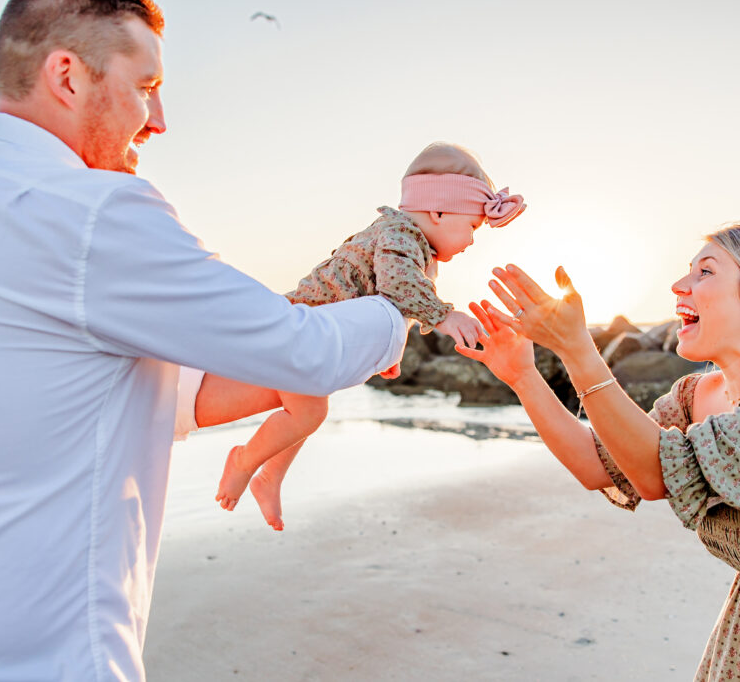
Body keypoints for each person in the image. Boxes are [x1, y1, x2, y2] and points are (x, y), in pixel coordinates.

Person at [0, 0, 407, 680]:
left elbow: (92, 391)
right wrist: (400, 309)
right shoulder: (91, 210)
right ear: (68, 77)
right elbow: (308, 350)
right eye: (147, 88)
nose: (159, 121)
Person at [458, 223, 740, 679]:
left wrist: (580, 350)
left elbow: (656, 475)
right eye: (687, 272)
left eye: (705, 272)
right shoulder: (699, 395)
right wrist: (522, 374)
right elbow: (597, 464)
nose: (679, 285)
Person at [196, 142, 525, 530]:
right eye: (471, 227)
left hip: (318, 336)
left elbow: (390, 304)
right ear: (437, 211)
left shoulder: (416, 248)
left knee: (308, 406)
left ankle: (270, 476)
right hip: (302, 327)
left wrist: (388, 354)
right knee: (309, 411)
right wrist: (444, 316)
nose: (472, 241)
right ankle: (245, 461)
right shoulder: (400, 233)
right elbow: (397, 284)